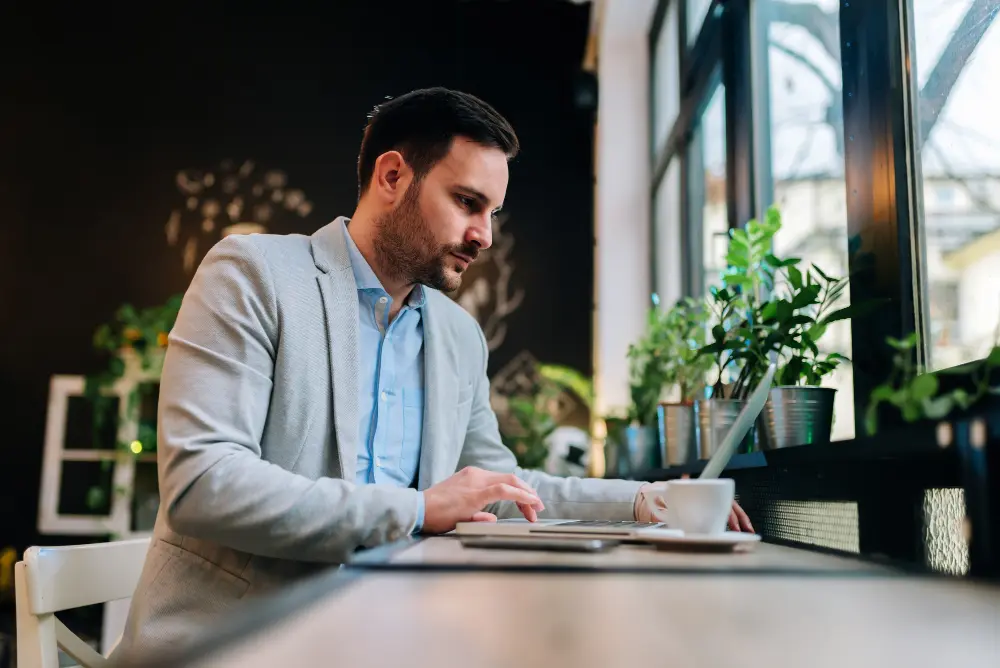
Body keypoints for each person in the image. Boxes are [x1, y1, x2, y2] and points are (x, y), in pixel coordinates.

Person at [115, 87, 752, 657]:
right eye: (468, 202)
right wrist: (419, 509)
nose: (485, 236)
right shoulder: (253, 273)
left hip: (395, 637)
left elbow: (501, 493)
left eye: (493, 213)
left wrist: (642, 501)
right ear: (392, 175)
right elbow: (205, 485)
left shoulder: (457, 335)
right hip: (236, 645)